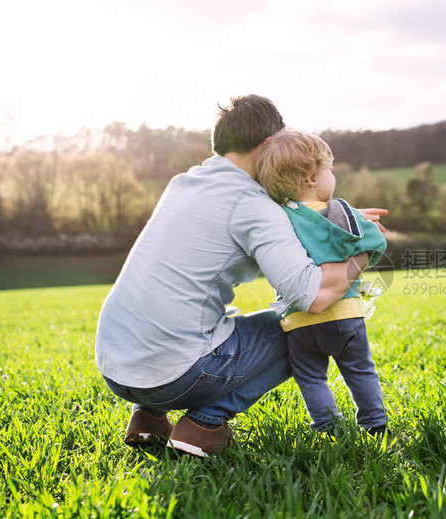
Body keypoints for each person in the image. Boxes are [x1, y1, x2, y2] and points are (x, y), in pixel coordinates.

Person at [94, 95, 386, 457]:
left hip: (114, 365)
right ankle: (203, 424)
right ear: (268, 145)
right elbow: (313, 297)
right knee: (300, 330)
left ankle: (148, 419)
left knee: (198, 318)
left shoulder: (183, 183)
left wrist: (337, 218)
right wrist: (363, 250)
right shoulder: (252, 204)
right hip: (170, 374)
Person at [257, 130, 388, 435]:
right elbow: (374, 242)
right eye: (329, 169)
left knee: (311, 378)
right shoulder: (342, 212)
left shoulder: (277, 221)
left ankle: (328, 427)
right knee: (360, 371)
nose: (333, 176)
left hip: (298, 320)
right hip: (345, 313)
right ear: (311, 177)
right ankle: (375, 424)